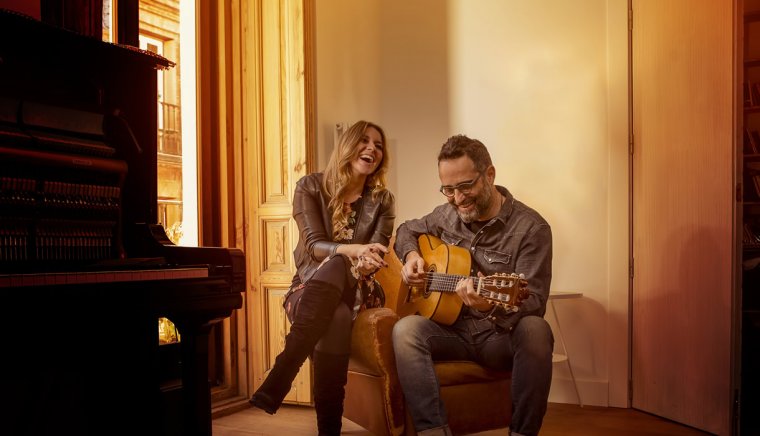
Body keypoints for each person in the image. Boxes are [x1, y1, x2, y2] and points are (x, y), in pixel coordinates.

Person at [391, 134, 553, 436]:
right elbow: (405, 230)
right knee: (405, 330)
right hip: (451, 331)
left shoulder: (531, 228)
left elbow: (534, 301)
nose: (458, 198)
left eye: (465, 186)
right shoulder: (445, 215)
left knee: (536, 330)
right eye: (448, 189)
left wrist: (490, 305)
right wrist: (412, 256)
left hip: (497, 337)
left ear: (489, 175)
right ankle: (433, 431)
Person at [249, 120, 395, 436]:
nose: (372, 149)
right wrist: (353, 250)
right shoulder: (310, 187)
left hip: (361, 288)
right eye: (364, 141)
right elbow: (315, 246)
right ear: (347, 145)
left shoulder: (383, 201)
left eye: (378, 145)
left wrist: (366, 262)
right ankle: (329, 430)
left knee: (341, 265)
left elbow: (377, 252)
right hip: (309, 288)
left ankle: (282, 373)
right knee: (337, 313)